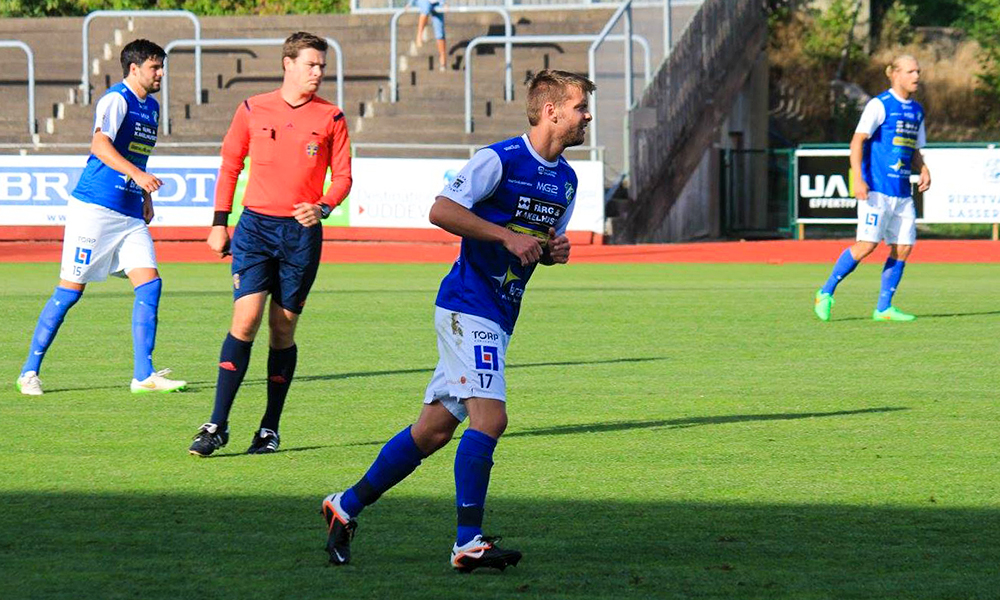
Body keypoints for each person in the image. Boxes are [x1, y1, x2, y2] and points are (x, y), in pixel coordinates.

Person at [320, 69, 594, 572]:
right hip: (468, 307)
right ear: (552, 110)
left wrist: (553, 251)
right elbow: (441, 209)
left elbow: (538, 243)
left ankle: (346, 505)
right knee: (491, 419)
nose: (587, 116)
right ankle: (467, 541)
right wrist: (504, 236)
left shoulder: (567, 179)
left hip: (500, 311)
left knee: (432, 432)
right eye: (580, 107)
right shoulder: (500, 159)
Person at [187, 32, 352, 457]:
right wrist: (219, 222)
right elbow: (229, 165)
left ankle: (268, 428)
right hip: (255, 227)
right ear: (288, 64)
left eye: (322, 66)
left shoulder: (332, 117)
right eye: (311, 64)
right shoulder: (251, 108)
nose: (318, 72)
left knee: (282, 328)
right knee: (245, 320)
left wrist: (324, 206)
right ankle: (216, 423)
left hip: (301, 235)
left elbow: (344, 177)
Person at [15, 39, 187, 397]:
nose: (161, 73)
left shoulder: (151, 108)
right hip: (94, 209)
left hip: (128, 212)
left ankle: (144, 375)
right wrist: (138, 178)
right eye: (155, 67)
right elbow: (100, 145)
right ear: (134, 68)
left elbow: (137, 155)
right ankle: (29, 371)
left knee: (150, 283)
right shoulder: (116, 99)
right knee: (69, 292)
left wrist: (143, 194)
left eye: (161, 66)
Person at [814, 54, 931, 322]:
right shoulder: (880, 105)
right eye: (911, 71)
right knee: (866, 245)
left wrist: (922, 168)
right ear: (895, 74)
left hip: (902, 192)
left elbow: (913, 148)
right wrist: (858, 178)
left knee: (903, 247)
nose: (916, 76)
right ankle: (825, 291)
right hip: (877, 188)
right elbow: (857, 142)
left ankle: (883, 309)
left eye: (918, 71)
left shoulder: (916, 111)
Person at [414, 0, 448, 71]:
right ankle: (419, 34)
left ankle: (442, 58)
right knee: (426, 8)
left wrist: (444, 3)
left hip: (437, 2)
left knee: (440, 32)